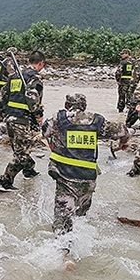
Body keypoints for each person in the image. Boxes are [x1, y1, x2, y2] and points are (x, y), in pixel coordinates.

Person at [43, 94, 128, 239]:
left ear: (67, 105)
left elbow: (45, 132)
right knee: (80, 217)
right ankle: (78, 243)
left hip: (64, 176)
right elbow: (123, 131)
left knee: (62, 221)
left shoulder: (57, 119)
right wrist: (122, 144)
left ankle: (63, 253)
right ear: (84, 106)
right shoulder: (96, 121)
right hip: (87, 178)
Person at [0, 51, 46, 192]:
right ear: (41, 63)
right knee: (21, 154)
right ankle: (4, 181)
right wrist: (39, 116)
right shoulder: (34, 78)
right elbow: (33, 100)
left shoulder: (14, 76)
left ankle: (29, 170)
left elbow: (0, 98)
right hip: (23, 120)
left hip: (10, 118)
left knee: (20, 149)